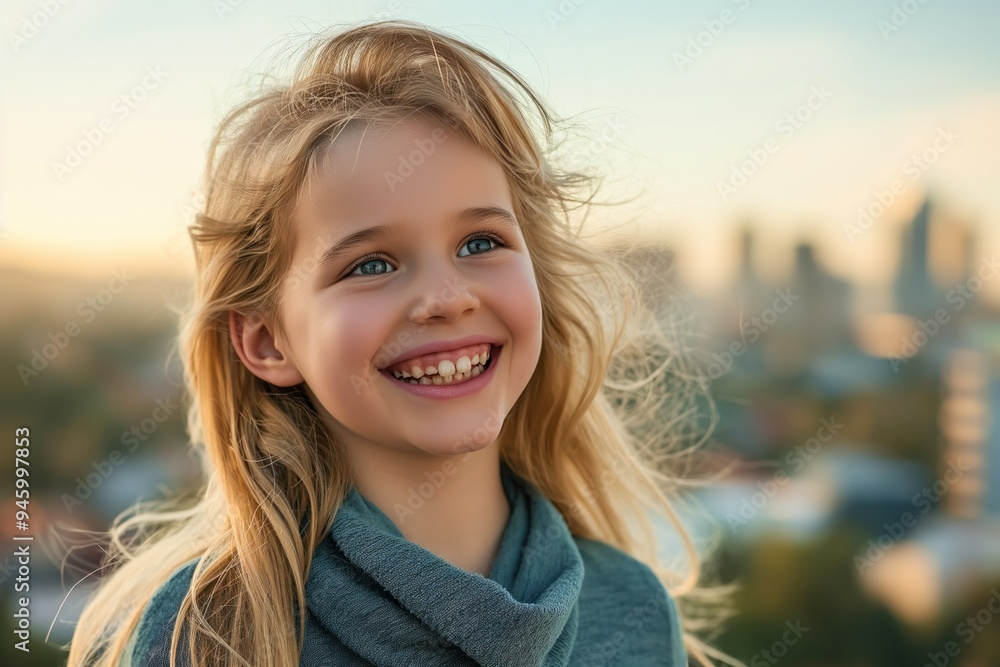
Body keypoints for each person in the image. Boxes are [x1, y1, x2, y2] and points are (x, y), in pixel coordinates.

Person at [68, 19, 731, 667]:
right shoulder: (204, 637)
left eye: (481, 243)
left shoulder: (633, 613)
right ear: (269, 342)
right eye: (370, 264)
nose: (447, 297)